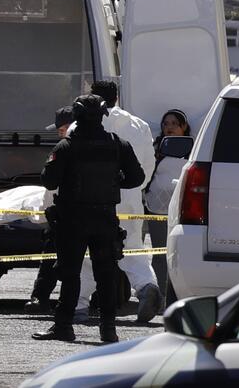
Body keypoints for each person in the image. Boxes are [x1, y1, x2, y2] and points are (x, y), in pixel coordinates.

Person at [32, 94, 144, 344]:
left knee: (70, 273)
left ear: (77, 116)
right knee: (105, 274)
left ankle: (63, 326)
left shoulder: (66, 146)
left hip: (73, 219)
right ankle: (108, 329)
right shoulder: (118, 144)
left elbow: (49, 181)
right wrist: (113, 183)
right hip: (104, 218)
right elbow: (137, 178)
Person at [73, 80, 161, 323]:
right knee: (131, 248)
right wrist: (134, 191)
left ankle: (78, 305)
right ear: (116, 98)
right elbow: (147, 165)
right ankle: (145, 286)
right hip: (128, 198)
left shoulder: (79, 125)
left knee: (87, 254)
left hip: (88, 200)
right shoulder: (139, 125)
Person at [25, 105, 74, 313]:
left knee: (56, 259)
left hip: (68, 214)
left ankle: (51, 301)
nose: (58, 133)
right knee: (52, 258)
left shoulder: (65, 148)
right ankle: (42, 297)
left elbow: (50, 181)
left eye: (61, 128)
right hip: (69, 213)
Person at [145, 109, 191, 301]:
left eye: (174, 123)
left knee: (182, 253)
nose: (169, 127)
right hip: (156, 207)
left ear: (184, 127)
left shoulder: (195, 148)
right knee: (160, 251)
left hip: (184, 209)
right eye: (166, 124)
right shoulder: (154, 148)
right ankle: (163, 296)